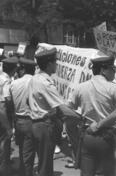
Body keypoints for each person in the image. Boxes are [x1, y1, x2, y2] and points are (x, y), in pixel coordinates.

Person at [68, 55, 116, 176]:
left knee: (86, 173)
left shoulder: (80, 87)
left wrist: (80, 124)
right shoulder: (113, 88)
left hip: (87, 136)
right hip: (107, 138)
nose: (114, 73)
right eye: (113, 69)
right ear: (103, 70)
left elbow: (68, 109)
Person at [28, 48, 78, 176]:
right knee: (46, 165)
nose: (57, 64)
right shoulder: (45, 83)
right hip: (44, 125)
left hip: (36, 124)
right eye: (55, 61)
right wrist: (81, 118)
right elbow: (61, 108)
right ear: (49, 64)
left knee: (43, 162)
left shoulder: (34, 79)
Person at [10, 57, 36, 176]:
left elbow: (10, 104)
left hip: (18, 120)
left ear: (23, 69)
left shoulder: (14, 83)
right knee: (28, 154)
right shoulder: (35, 82)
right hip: (29, 121)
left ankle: (22, 171)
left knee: (21, 151)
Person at [0, 56, 18, 175]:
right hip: (3, 112)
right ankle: (4, 170)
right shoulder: (6, 80)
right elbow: (6, 99)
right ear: (12, 70)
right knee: (6, 140)